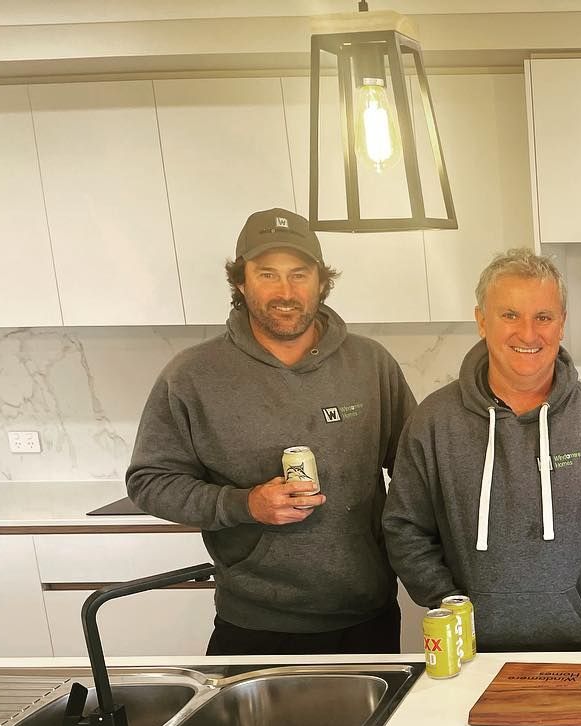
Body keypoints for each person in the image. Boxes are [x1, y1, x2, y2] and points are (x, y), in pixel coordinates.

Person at [126, 207, 416, 655]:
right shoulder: (192, 375)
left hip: (366, 616)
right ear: (241, 282)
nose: (286, 292)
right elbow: (149, 483)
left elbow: (416, 470)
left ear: (322, 281)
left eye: (299, 274)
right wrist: (244, 504)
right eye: (267, 275)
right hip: (253, 622)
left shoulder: (370, 365)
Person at [382, 249, 581, 651]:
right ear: (482, 320)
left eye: (543, 317)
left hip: (580, 650)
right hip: (467, 656)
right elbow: (404, 528)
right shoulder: (433, 422)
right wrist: (449, 608)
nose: (528, 334)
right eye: (510, 315)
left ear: (562, 324)